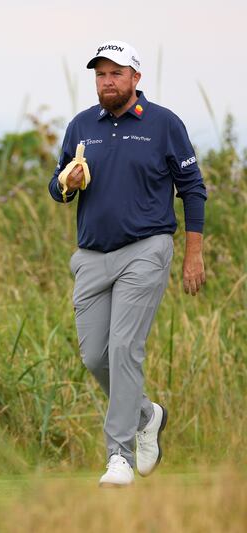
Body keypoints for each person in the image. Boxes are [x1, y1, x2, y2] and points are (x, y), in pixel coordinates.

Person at [48, 40, 207, 487]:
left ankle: (118, 456)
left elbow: (192, 189)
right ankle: (147, 415)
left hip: (147, 249)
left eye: (116, 73)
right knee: (95, 355)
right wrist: (67, 183)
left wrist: (193, 254)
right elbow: (58, 188)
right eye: (100, 74)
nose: (107, 81)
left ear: (136, 78)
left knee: (123, 349)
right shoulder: (81, 126)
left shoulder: (163, 124)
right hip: (91, 256)